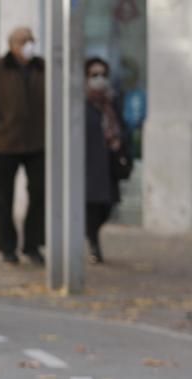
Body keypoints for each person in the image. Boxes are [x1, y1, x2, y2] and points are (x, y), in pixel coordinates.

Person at [0, 27, 46, 265]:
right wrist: (0, 125)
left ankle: (33, 244)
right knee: (4, 198)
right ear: (13, 44)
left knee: (39, 193)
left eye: (31, 40)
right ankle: (7, 247)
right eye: (24, 41)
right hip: (5, 144)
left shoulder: (41, 67)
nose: (29, 45)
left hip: (36, 143)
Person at [84, 57, 129, 264]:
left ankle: (91, 236)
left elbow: (122, 126)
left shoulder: (112, 101)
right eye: (94, 75)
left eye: (103, 74)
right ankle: (93, 244)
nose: (99, 79)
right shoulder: (81, 103)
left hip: (109, 161)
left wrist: (120, 144)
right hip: (89, 163)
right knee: (92, 208)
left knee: (107, 207)